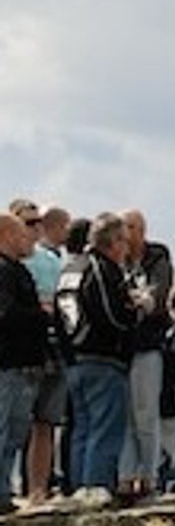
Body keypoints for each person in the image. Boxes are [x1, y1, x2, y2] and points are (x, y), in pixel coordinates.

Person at [55, 212, 134, 497]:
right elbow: (111, 316)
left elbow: (58, 315)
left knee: (82, 429)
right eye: (124, 240)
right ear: (112, 242)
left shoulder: (69, 269)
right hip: (102, 357)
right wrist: (134, 313)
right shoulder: (100, 268)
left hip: (74, 360)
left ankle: (79, 488)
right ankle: (97, 488)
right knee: (105, 429)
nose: (127, 247)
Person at [119, 208, 174, 501]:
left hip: (148, 345)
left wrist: (142, 301)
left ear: (141, 230)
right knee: (126, 415)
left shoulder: (157, 258)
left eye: (129, 227)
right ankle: (126, 476)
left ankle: (149, 476)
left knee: (146, 414)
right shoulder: (118, 261)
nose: (124, 234)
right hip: (123, 347)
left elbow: (156, 296)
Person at [0, 213, 48, 506]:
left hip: (23, 364)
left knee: (15, 435)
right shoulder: (3, 271)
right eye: (21, 234)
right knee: (3, 431)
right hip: (6, 364)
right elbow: (5, 314)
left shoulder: (18, 270)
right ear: (6, 235)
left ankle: (4, 492)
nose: (28, 239)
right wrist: (41, 315)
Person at [26, 205, 69, 499]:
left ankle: (38, 488)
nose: (33, 228)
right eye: (28, 222)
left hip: (51, 349)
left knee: (45, 424)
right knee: (18, 424)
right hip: (20, 354)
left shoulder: (53, 261)